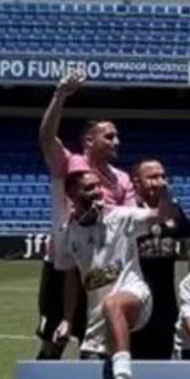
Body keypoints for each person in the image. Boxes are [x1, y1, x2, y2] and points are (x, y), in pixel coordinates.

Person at [52, 170, 177, 379]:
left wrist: (164, 194)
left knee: (113, 303)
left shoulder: (120, 217)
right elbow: (71, 278)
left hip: (136, 296)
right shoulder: (66, 235)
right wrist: (67, 319)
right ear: (71, 194)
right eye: (89, 188)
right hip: (98, 317)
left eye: (98, 186)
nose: (97, 191)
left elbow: (161, 215)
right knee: (91, 377)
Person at [36, 68, 136, 359]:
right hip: (64, 264)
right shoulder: (68, 164)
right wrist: (60, 96)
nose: (117, 142)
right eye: (109, 136)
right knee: (55, 339)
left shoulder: (122, 179)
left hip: (101, 268)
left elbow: (127, 218)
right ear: (89, 141)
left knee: (96, 343)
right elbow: (46, 138)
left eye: (117, 137)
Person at [129, 159, 190, 360]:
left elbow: (186, 231)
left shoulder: (173, 208)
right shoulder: (130, 210)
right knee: (134, 353)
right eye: (153, 177)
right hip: (136, 294)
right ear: (136, 182)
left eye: (163, 176)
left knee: (162, 355)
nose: (160, 182)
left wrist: (168, 203)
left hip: (165, 298)